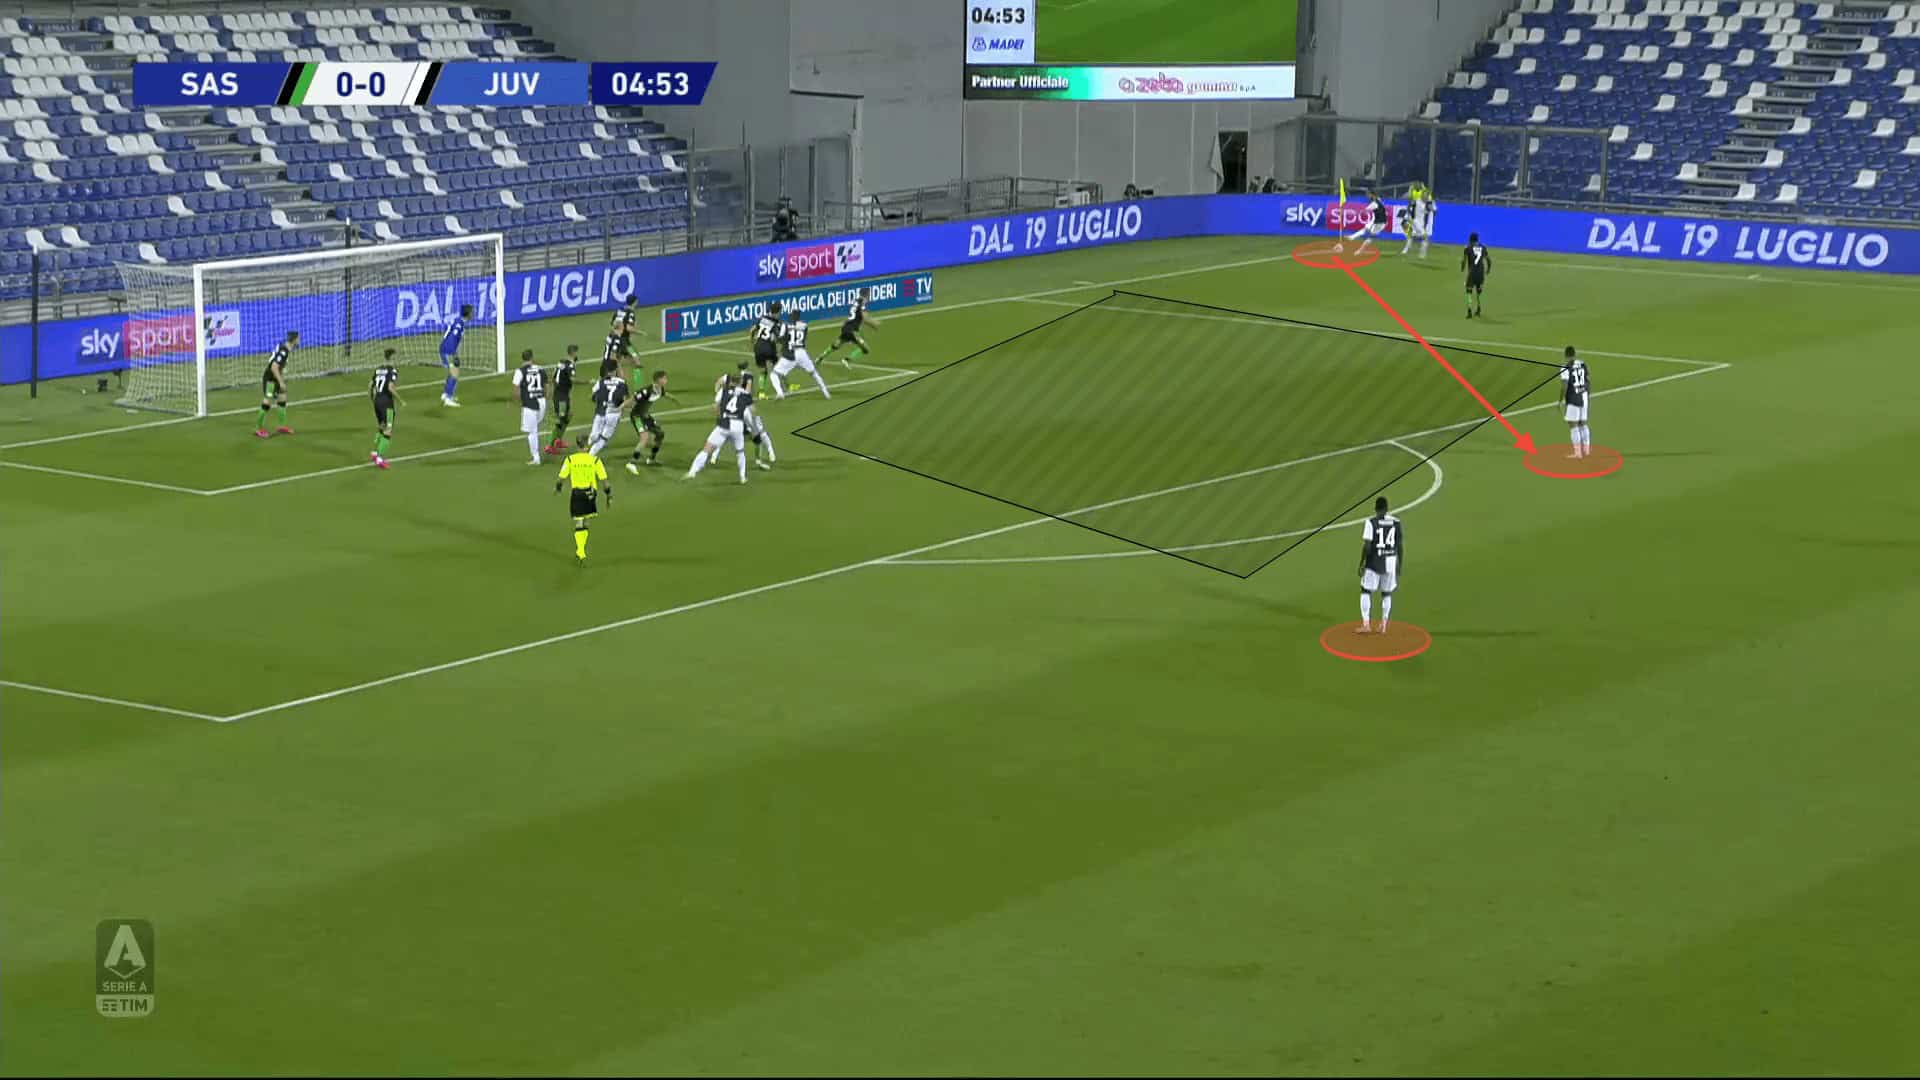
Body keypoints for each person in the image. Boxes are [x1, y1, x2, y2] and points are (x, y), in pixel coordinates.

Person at [686, 370, 754, 484]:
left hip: (723, 425)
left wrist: (719, 416)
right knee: (740, 452)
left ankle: (692, 472)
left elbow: (716, 406)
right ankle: (742, 477)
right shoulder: (745, 394)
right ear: (741, 381)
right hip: (737, 426)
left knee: (707, 449)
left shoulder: (724, 390)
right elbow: (752, 410)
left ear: (731, 380)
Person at [554, 444, 612, 564]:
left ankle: (580, 551)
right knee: (586, 521)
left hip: (577, 494)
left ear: (578, 446)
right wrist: (608, 494)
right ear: (586, 447)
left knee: (579, 521)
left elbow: (561, 477)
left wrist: (558, 488)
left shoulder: (570, 459)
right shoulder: (595, 460)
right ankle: (580, 551)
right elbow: (604, 480)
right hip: (590, 494)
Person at [1357, 496, 1403, 634]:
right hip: (1390, 561)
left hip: (1374, 561)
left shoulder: (1371, 522)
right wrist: (1399, 564)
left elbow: (1367, 545)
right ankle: (1383, 624)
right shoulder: (1396, 522)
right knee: (1386, 593)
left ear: (1375, 509)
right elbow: (1400, 545)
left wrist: (1362, 562)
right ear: (1387, 508)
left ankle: (1366, 624)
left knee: (1366, 590)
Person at [771, 308, 831, 400]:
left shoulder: (785, 325)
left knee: (774, 374)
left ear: (792, 316)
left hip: (790, 353)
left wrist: (776, 335)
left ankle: (780, 393)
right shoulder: (804, 325)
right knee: (814, 373)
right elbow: (803, 338)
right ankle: (826, 392)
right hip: (802, 353)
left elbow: (781, 339)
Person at [625, 370, 677, 474]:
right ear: (658, 380)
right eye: (664, 378)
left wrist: (674, 399)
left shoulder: (660, 389)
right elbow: (632, 399)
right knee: (644, 438)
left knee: (660, 434)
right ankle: (631, 463)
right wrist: (619, 408)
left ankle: (651, 459)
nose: (666, 380)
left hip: (646, 416)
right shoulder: (646, 391)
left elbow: (665, 394)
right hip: (637, 417)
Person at [817, 288, 878, 369]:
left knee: (836, 345)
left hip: (846, 327)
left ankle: (820, 357)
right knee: (865, 349)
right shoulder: (862, 303)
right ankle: (847, 360)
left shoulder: (855, 301)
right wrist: (873, 324)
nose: (870, 296)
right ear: (866, 295)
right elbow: (864, 316)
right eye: (869, 294)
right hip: (852, 330)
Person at [253, 330, 298, 438]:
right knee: (267, 403)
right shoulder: (284, 351)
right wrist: (281, 382)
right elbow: (274, 367)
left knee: (282, 398)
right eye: (298, 338)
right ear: (294, 340)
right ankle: (258, 429)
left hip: (276, 377)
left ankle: (281, 426)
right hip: (270, 378)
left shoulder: (284, 346)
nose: (299, 340)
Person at [509, 348, 548, 466]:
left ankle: (536, 458)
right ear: (532, 357)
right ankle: (536, 455)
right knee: (535, 427)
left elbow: (516, 389)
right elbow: (547, 385)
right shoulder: (540, 369)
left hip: (530, 404)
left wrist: (517, 401)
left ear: (522, 358)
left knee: (532, 432)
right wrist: (546, 397)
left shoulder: (519, 371)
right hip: (541, 402)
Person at [367, 348, 402, 469]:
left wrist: (372, 398)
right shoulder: (392, 371)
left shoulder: (378, 370)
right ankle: (379, 458)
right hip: (387, 403)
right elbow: (390, 387)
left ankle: (374, 452)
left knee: (381, 426)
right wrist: (400, 400)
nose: (397, 360)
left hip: (377, 401)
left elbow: (370, 386)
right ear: (392, 357)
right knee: (388, 430)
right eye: (396, 357)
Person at [587, 366, 629, 457]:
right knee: (604, 438)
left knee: (594, 435)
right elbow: (625, 400)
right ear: (615, 371)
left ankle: (585, 448)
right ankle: (590, 456)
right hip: (613, 413)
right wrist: (622, 411)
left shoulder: (600, 382)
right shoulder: (622, 383)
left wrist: (598, 401)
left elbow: (592, 397)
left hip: (600, 411)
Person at [546, 344, 580, 455]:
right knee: (560, 420)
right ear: (573, 353)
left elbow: (553, 377)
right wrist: (587, 382)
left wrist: (552, 390)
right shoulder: (570, 365)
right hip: (561, 397)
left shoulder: (561, 362)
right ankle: (550, 446)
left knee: (567, 417)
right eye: (576, 352)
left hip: (560, 394)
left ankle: (558, 440)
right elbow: (572, 379)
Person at [1561, 346, 1593, 458]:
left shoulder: (1565, 367)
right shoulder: (1583, 364)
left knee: (1573, 425)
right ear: (1575, 354)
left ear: (1566, 355)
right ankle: (1587, 449)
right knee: (1583, 423)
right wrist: (1587, 394)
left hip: (1573, 397)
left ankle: (1578, 453)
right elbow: (1588, 379)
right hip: (1584, 395)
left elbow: (1565, 385)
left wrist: (1561, 399)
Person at [440, 303, 471, 407]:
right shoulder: (460, 325)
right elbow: (452, 337)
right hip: (448, 350)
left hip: (446, 348)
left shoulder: (458, 320)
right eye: (471, 312)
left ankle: (446, 394)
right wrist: (453, 353)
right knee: (454, 374)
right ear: (468, 314)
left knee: (453, 372)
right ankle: (448, 399)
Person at [1462, 232, 1492, 318]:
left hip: (1472, 272)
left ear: (1470, 240)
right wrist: (1488, 269)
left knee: (1469, 291)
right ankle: (1479, 309)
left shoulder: (1467, 248)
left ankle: (1469, 311)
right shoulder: (1483, 247)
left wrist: (1462, 268)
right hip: (1480, 272)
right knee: (1479, 291)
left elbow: (1464, 260)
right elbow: (1489, 260)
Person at [750, 301, 782, 382]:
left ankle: (761, 389)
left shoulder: (762, 318)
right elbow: (778, 338)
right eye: (780, 312)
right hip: (768, 348)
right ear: (778, 312)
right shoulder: (776, 323)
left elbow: (752, 330)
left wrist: (752, 340)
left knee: (763, 370)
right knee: (778, 367)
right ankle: (784, 385)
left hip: (758, 347)